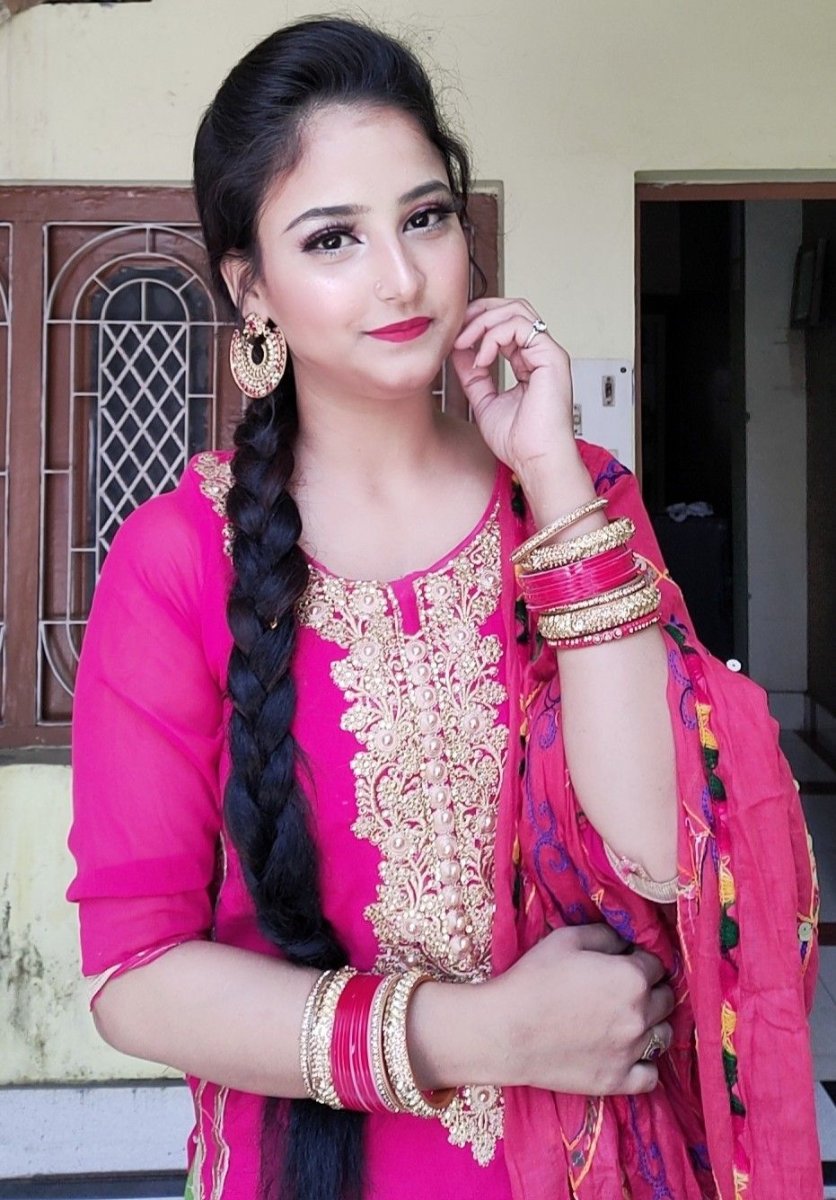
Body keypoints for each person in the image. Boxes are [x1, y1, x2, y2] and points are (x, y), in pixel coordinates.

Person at [67, 16, 820, 1200]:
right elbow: (135, 977)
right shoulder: (179, 560)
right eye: (333, 238)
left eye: (423, 218)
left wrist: (553, 476)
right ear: (250, 289)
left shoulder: (573, 503)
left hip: (596, 1168)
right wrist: (479, 1036)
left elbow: (659, 850)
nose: (400, 276)